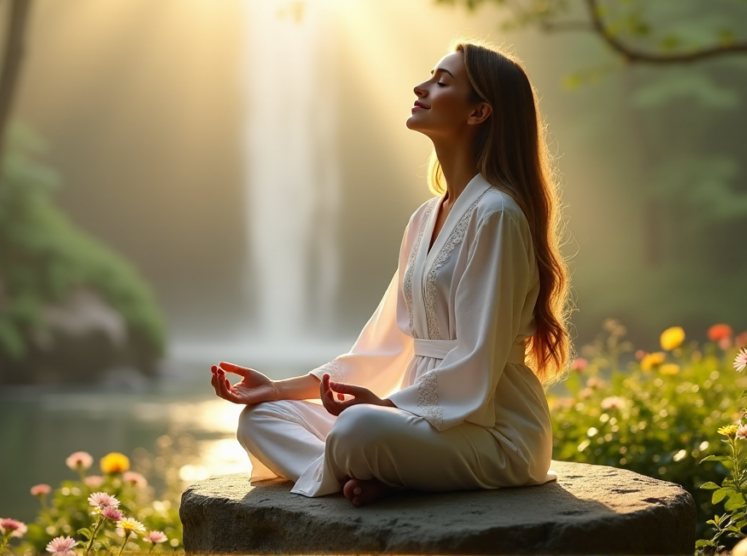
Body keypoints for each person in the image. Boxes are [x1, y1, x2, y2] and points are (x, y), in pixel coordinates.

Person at [210, 40, 571, 507]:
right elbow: (382, 347)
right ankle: (362, 474)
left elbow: (478, 358)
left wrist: (386, 407)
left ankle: (361, 467)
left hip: (494, 431)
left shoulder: (496, 214)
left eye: (442, 82)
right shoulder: (425, 218)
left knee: (361, 427)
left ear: (478, 112)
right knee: (262, 417)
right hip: (412, 420)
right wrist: (277, 387)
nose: (421, 87)